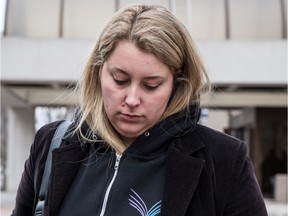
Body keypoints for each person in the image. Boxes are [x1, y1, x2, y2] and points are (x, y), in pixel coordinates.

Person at [12, 4, 268, 216]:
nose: (132, 99)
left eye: (151, 85)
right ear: (98, 71)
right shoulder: (51, 145)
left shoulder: (223, 161)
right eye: (120, 80)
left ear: (176, 85)